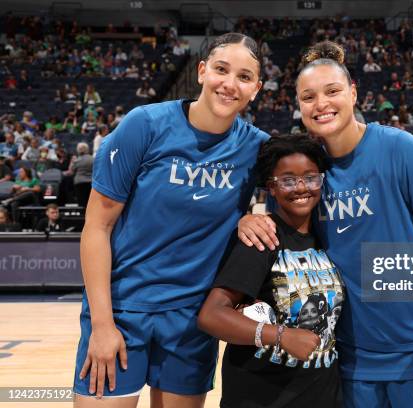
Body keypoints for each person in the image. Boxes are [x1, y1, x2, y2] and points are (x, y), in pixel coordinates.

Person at [238, 41, 413, 408]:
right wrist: (248, 217)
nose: (321, 104)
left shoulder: (401, 149)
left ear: (353, 92)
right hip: (350, 361)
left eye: (332, 91)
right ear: (298, 105)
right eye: (308, 96)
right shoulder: (311, 175)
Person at [72, 32, 268, 406]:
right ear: (201, 71)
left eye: (244, 77)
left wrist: (247, 217)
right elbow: (97, 227)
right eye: (221, 70)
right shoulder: (144, 125)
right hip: (124, 309)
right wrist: (101, 325)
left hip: (192, 321)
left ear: (256, 89)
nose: (230, 84)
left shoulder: (257, 147)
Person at [198, 134, 343, 407]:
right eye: (288, 180)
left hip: (324, 396)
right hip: (260, 397)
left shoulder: (330, 239)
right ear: (272, 188)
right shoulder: (262, 239)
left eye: (311, 177)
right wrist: (280, 335)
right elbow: (211, 315)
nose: (301, 187)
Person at [65, 143, 93, 207]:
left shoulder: (77, 160)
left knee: (81, 201)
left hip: (79, 183)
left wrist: (72, 162)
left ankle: (81, 215)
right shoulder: (93, 159)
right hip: (91, 182)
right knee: (90, 201)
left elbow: (71, 171)